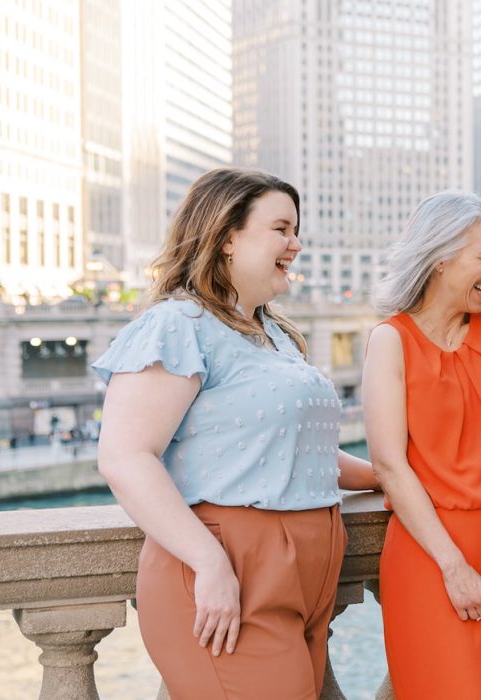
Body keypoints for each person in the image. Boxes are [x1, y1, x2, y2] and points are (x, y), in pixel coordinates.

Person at [92, 168, 377, 700]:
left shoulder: (271, 333)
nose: (296, 244)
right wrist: (209, 563)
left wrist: (389, 476)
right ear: (227, 237)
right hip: (230, 568)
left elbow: (296, 448)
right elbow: (126, 457)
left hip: (308, 575)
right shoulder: (177, 324)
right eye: (282, 229)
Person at [361, 191, 481, 699]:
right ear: (440, 258)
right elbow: (389, 465)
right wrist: (452, 565)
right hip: (429, 557)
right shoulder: (390, 341)